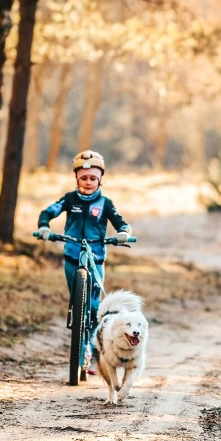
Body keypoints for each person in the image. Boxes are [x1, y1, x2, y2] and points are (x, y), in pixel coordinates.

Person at [36, 150, 132, 371]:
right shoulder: (69, 199)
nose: (88, 182)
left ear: (99, 179)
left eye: (92, 178)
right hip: (72, 255)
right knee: (78, 300)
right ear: (77, 178)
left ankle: (88, 347)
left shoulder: (105, 203)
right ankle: (76, 316)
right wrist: (44, 227)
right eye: (84, 178)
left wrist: (123, 232)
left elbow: (120, 222)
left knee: (94, 306)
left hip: (96, 258)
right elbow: (49, 211)